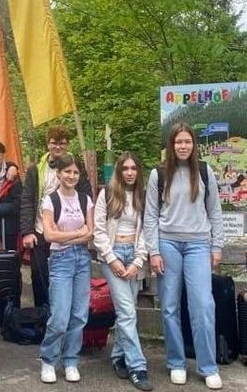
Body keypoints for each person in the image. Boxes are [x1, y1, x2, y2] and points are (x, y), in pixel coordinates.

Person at [143, 122, 225, 390]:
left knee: (202, 305)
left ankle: (208, 366)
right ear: (171, 144)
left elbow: (215, 211)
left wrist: (217, 246)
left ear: (193, 145)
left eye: (187, 141)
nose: (182, 146)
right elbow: (151, 215)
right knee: (169, 306)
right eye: (178, 142)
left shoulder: (203, 171)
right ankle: (176, 362)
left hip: (198, 245)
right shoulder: (158, 174)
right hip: (167, 243)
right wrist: (153, 250)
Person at [93, 152, 152, 391]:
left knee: (127, 312)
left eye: (133, 168)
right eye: (125, 168)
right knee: (127, 312)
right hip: (113, 254)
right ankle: (138, 367)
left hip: (134, 256)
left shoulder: (144, 196)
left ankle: (118, 356)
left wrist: (138, 261)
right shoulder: (106, 194)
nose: (129, 172)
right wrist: (112, 259)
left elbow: (148, 230)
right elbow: (98, 230)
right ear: (119, 171)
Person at [37, 154, 94, 384]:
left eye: (75, 172)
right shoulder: (50, 200)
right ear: (58, 173)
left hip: (82, 259)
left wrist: (66, 237)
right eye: (67, 172)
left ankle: (71, 359)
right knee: (60, 315)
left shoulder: (85, 200)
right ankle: (48, 359)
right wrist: (76, 234)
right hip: (59, 259)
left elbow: (90, 232)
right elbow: (49, 235)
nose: (71, 176)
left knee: (79, 314)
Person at [21, 126, 92, 308]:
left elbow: (86, 196)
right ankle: (42, 318)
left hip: (70, 232)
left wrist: (84, 228)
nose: (58, 147)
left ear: (68, 145)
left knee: (66, 279)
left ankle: (63, 319)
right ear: (48, 144)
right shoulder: (36, 169)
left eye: (62, 144)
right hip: (41, 230)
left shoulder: (76, 168)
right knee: (39, 275)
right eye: (54, 143)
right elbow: (28, 199)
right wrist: (27, 232)